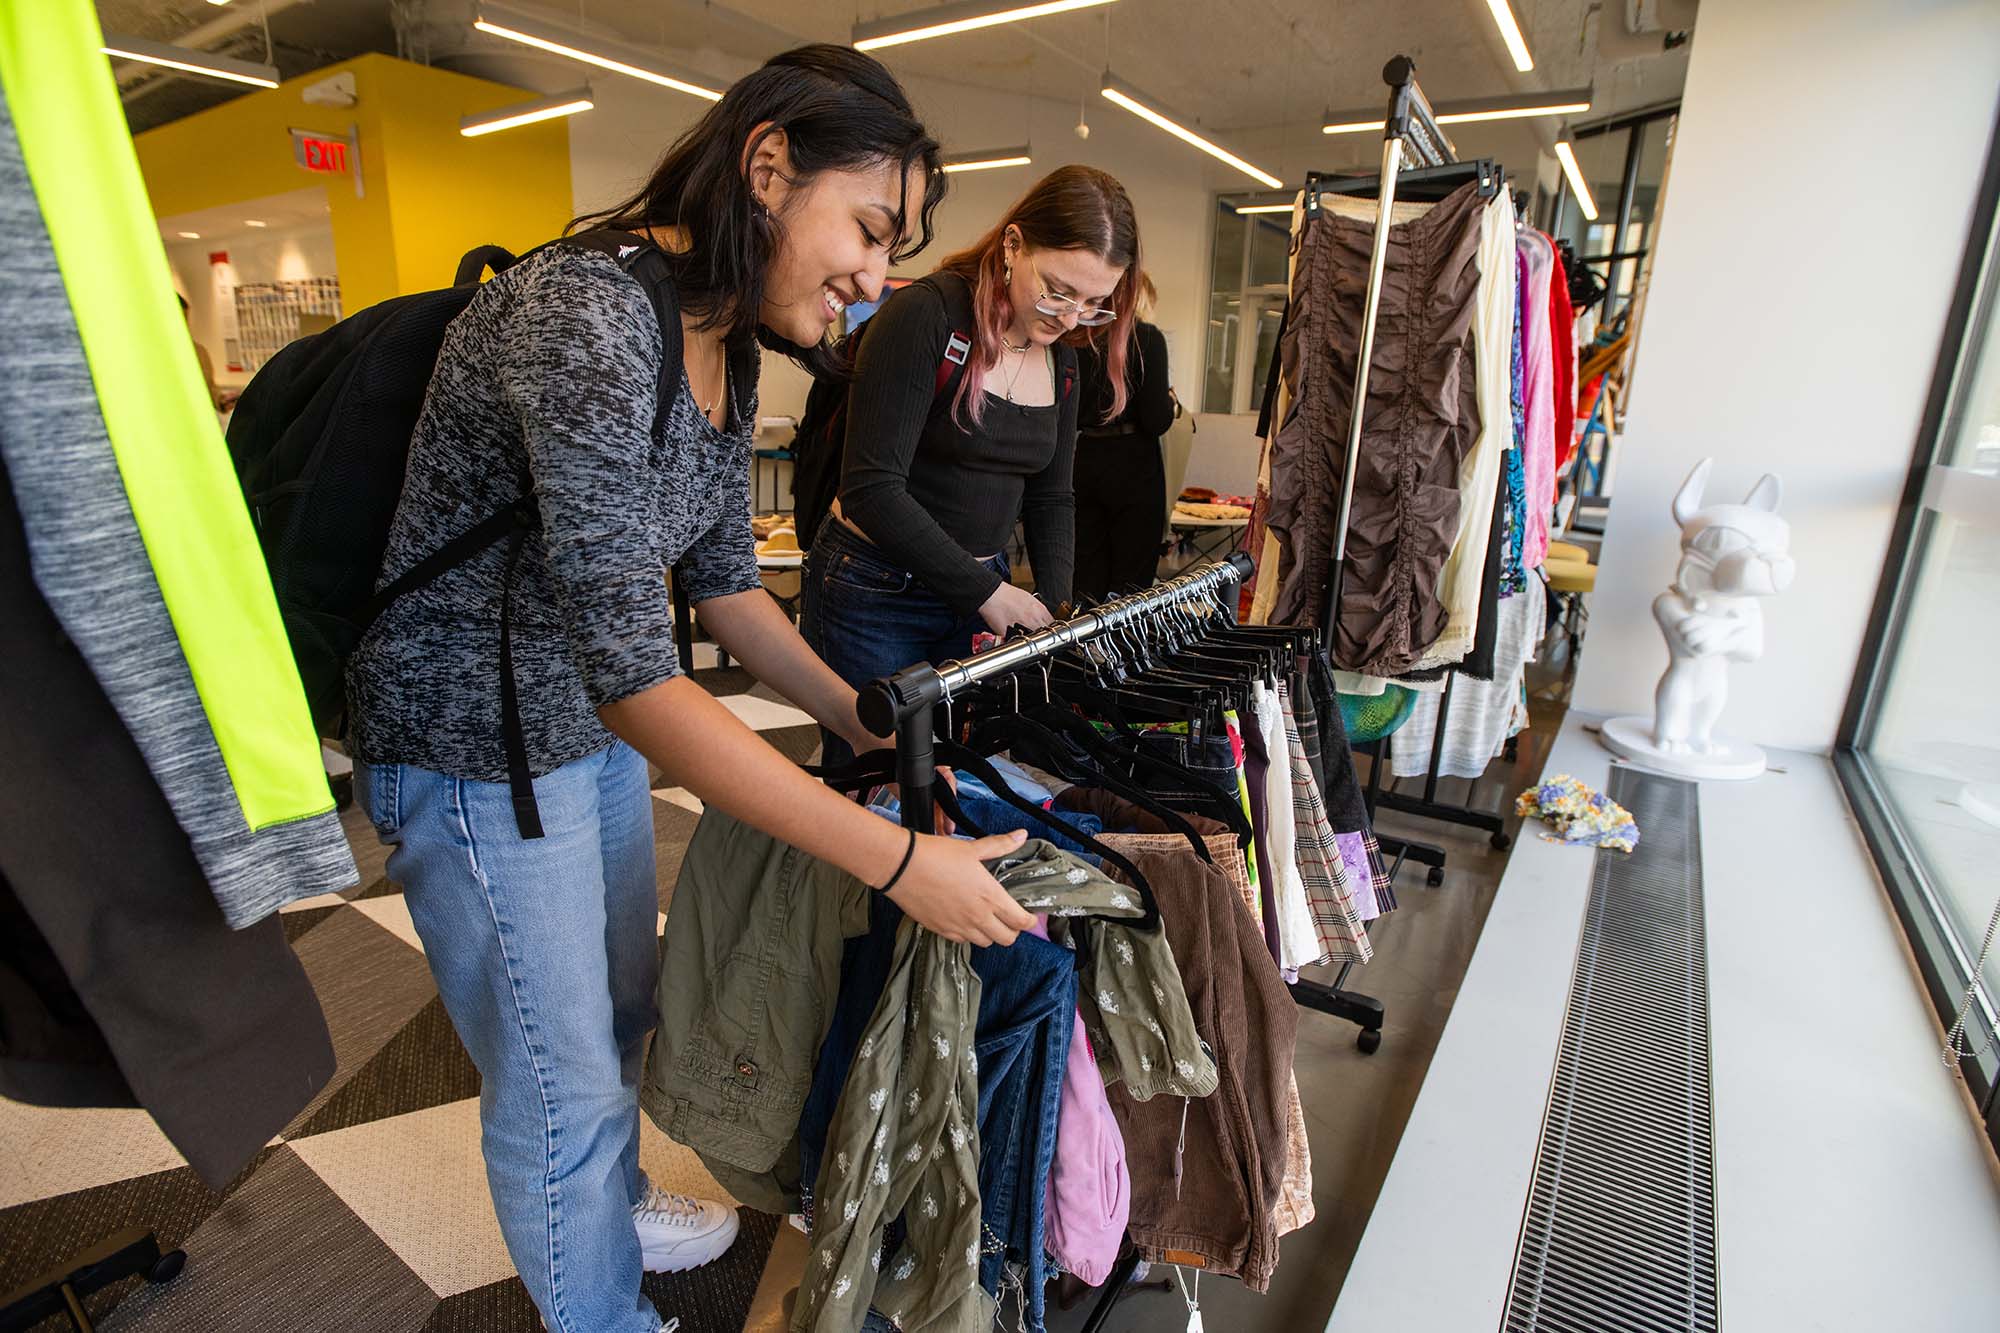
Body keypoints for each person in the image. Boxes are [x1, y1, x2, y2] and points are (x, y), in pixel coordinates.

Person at [345, 46, 1035, 1333]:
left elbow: (723, 591)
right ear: (769, 166)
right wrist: (892, 858)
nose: (875, 280)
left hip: (572, 741)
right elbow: (634, 674)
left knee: (614, 1011)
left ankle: (600, 1205)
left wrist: (851, 714)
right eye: (869, 229)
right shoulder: (591, 319)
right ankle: (598, 1302)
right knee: (559, 1088)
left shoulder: (722, 347)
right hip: (473, 750)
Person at [804, 165, 1142, 764]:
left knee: (964, 779)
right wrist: (989, 591)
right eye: (1059, 290)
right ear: (1013, 246)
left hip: (976, 597)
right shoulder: (927, 318)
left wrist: (1055, 618)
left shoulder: (1063, 363)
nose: (1068, 318)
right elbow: (871, 489)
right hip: (875, 593)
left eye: (1093, 305)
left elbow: (1051, 498)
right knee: (876, 785)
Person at [1072, 275, 1174, 601]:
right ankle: (1124, 650)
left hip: (1085, 457)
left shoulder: (1076, 339)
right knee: (1132, 581)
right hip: (1134, 464)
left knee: (1086, 572)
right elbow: (1156, 420)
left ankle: (1083, 646)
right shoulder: (1146, 338)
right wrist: (1170, 403)